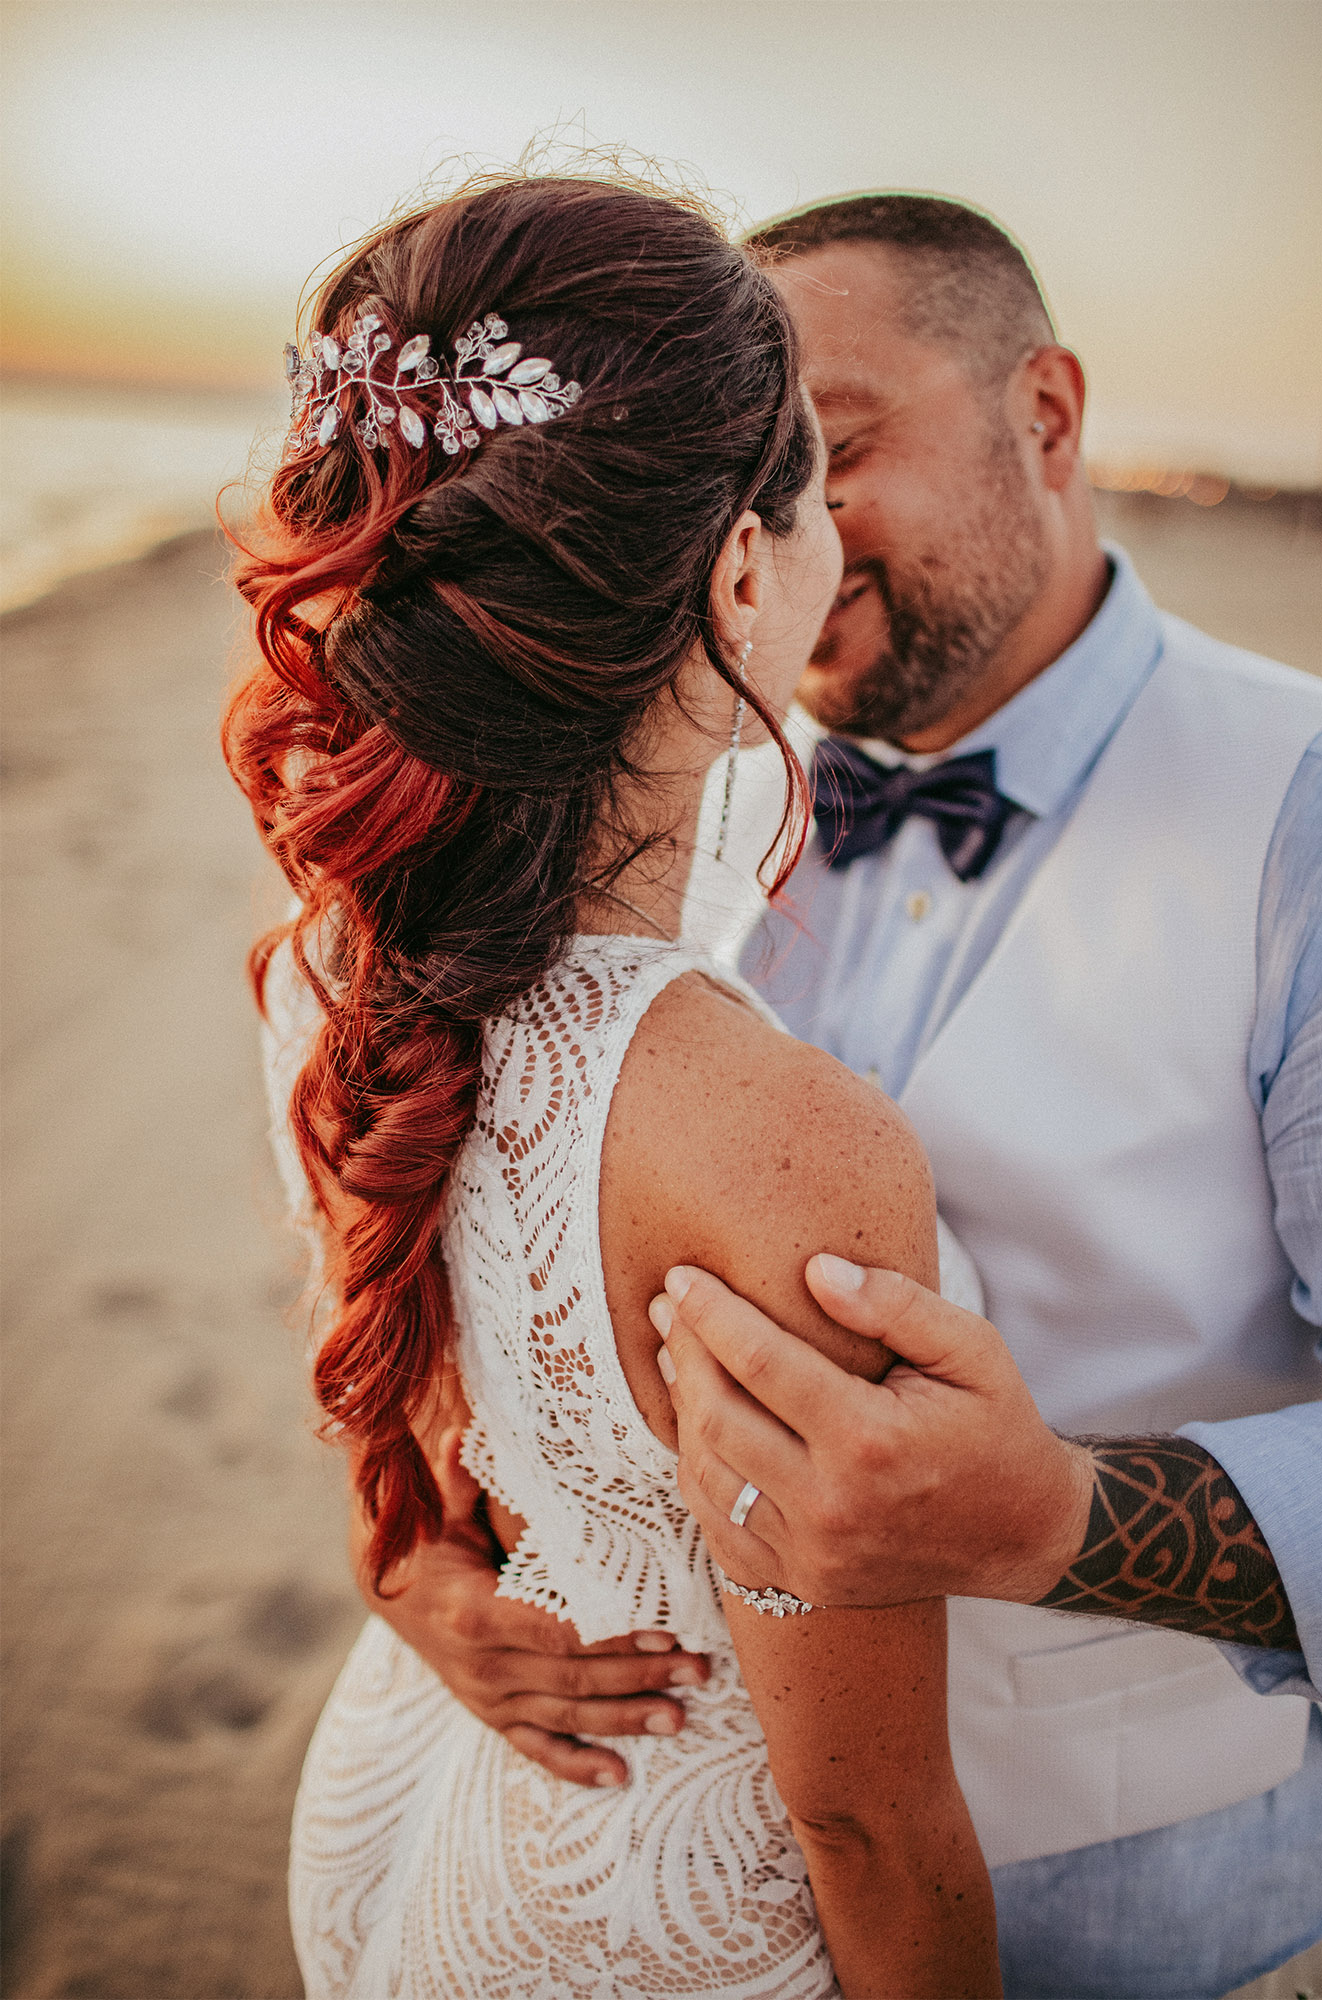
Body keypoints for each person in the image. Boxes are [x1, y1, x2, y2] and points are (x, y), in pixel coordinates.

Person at [364, 194, 1322, 2000]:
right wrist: (425, 1544)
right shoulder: (683, 748)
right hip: (683, 1878)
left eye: (829, 449)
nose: (761, 517)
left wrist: (1054, 1516)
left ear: (1045, 415)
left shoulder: (1307, 818)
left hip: (1137, 1896)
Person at [232, 174, 1002, 1998]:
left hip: (421, 1799)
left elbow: (414, 1355)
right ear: (741, 568)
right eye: (814, 482)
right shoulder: (774, 1139)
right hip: (644, 1922)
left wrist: (401, 1564)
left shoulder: (332, 962)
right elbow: (865, 1823)